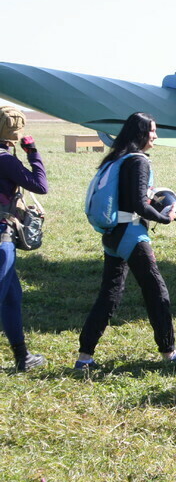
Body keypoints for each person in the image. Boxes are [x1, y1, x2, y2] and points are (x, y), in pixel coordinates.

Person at [76, 112, 176, 369]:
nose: (155, 135)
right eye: (152, 131)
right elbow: (138, 204)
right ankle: (170, 352)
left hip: (112, 234)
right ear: (141, 134)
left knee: (109, 295)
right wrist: (165, 218)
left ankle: (84, 358)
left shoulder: (117, 158)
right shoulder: (139, 161)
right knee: (156, 291)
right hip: (131, 234)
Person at [0, 107, 48, 371]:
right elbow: (40, 186)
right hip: (1, 239)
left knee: (11, 297)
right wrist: (33, 154)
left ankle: (22, 357)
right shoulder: (5, 160)